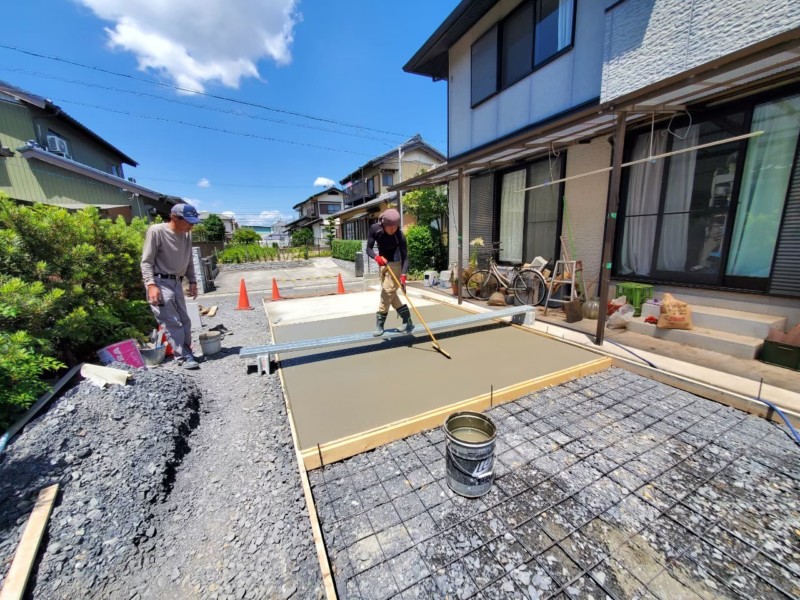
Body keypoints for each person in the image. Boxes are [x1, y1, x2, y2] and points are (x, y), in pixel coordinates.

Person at [141, 203, 201, 369]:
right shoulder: (157, 231)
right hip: (160, 282)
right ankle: (183, 357)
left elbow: (188, 260)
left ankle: (187, 352)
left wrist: (193, 281)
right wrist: (151, 285)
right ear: (174, 217)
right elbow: (146, 262)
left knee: (185, 320)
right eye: (189, 221)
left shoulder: (187, 235)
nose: (192, 225)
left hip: (177, 282)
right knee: (172, 322)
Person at [366, 208, 413, 336]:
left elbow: (405, 257)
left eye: (395, 226)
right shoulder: (375, 229)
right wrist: (376, 257)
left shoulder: (400, 236)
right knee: (391, 295)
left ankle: (380, 325)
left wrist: (403, 275)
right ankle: (407, 319)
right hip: (382, 264)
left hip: (396, 265)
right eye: (390, 227)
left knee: (386, 295)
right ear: (383, 224)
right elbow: (368, 249)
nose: (393, 229)